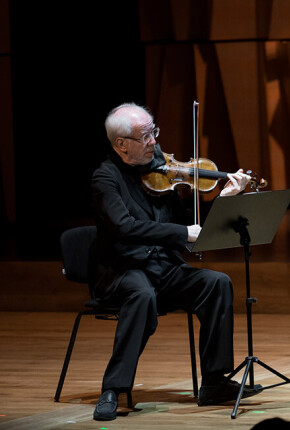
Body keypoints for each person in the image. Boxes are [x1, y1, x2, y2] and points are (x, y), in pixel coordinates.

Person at [90, 102, 261, 421]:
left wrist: (223, 200)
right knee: (141, 296)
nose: (154, 141)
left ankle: (213, 382)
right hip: (122, 270)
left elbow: (189, 226)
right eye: (145, 136)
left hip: (161, 269)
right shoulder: (106, 178)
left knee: (216, 283)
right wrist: (184, 231)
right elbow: (125, 228)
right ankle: (113, 388)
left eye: (154, 131)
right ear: (121, 145)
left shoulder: (160, 172)